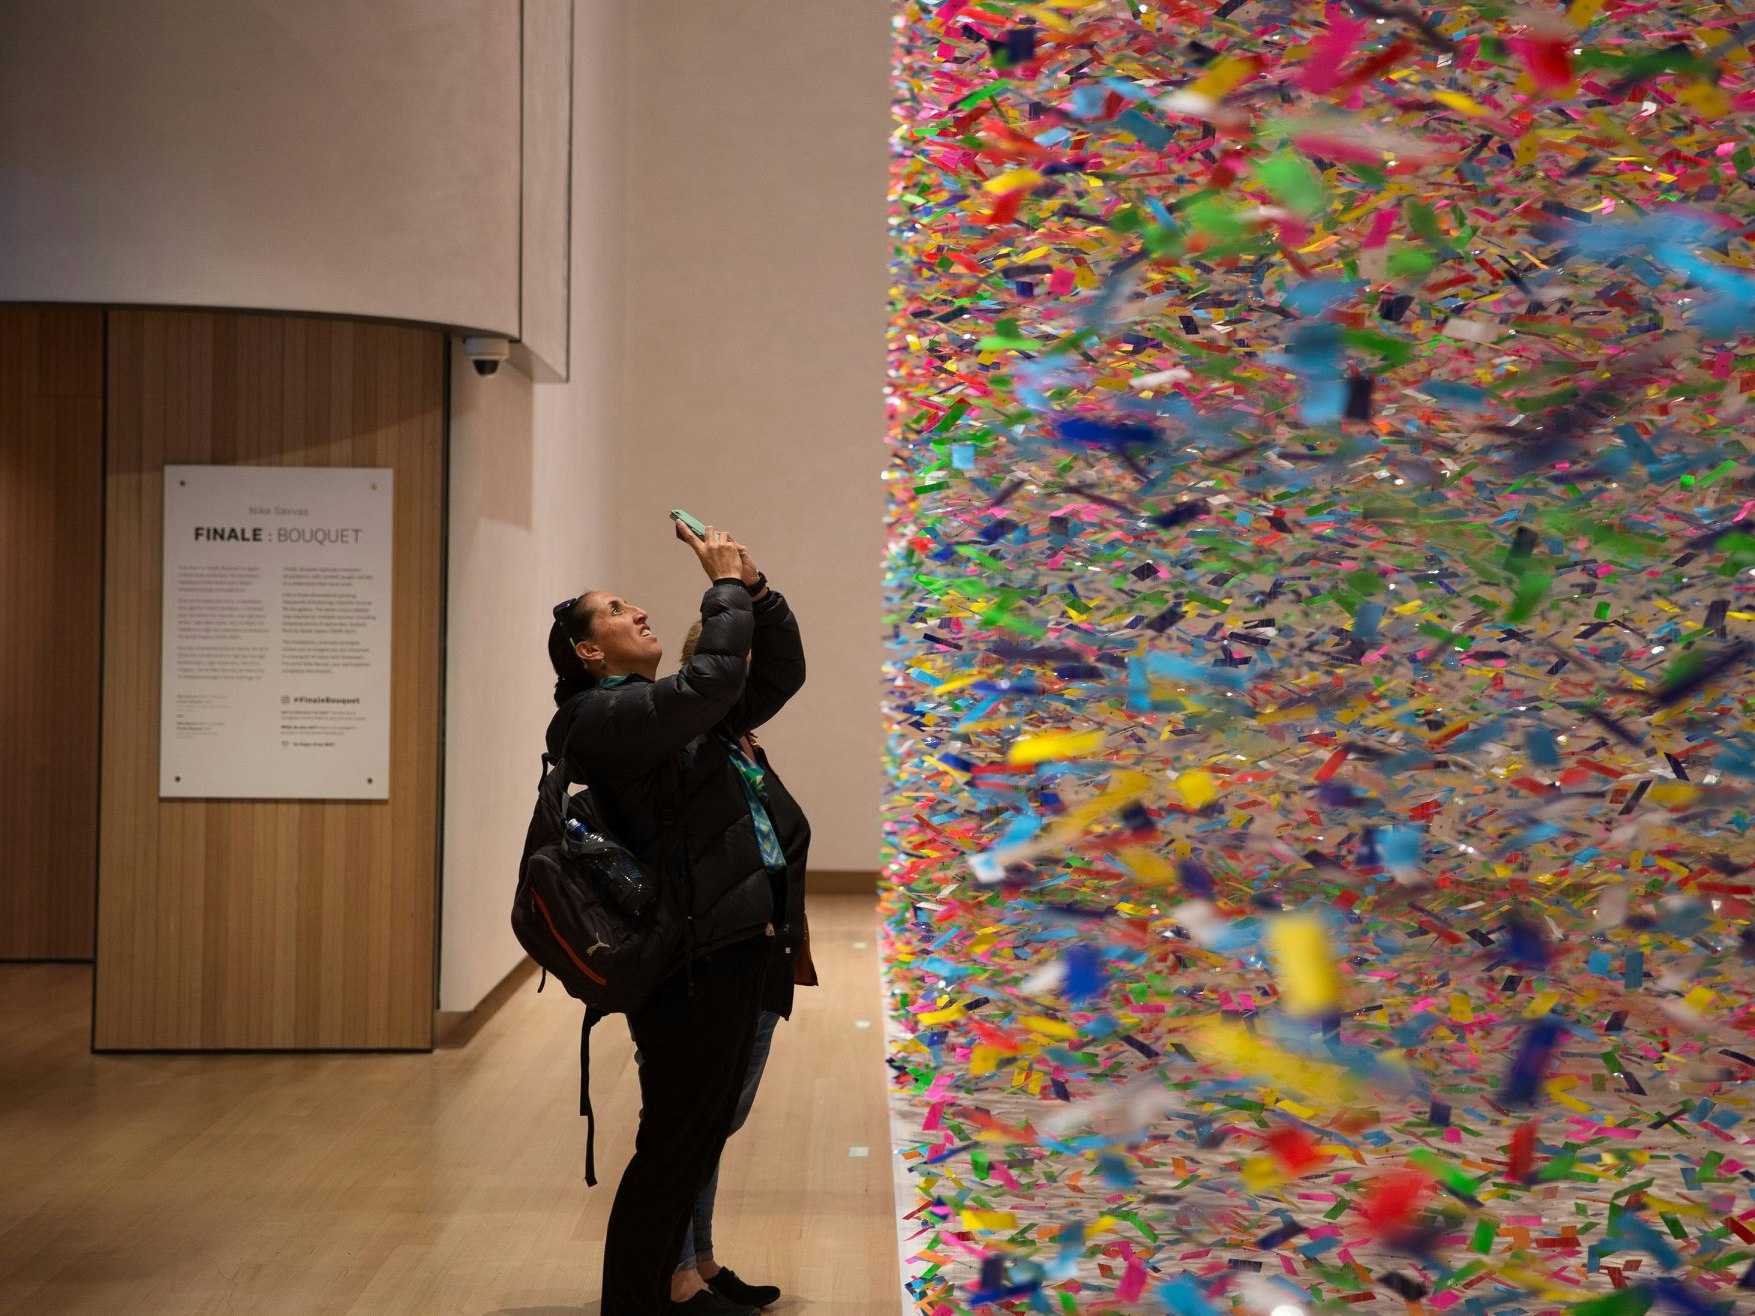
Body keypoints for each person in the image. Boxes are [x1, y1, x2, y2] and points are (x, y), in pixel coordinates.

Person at [544, 519, 810, 1315]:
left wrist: (756, 592)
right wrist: (722, 589)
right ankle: (645, 1296)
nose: (638, 613)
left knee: (693, 1136)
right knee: (671, 1149)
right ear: (589, 652)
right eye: (617, 609)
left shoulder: (666, 711)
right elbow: (712, 681)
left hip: (730, 947)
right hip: (687, 962)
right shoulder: (601, 717)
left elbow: (773, 675)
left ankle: (681, 1278)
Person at [651, 621, 818, 1310]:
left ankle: (702, 1259)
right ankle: (679, 1275)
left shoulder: (740, 745)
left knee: (718, 1123)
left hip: (760, 957)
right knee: (697, 1123)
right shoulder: (684, 744)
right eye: (739, 664)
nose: (753, 678)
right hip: (712, 960)